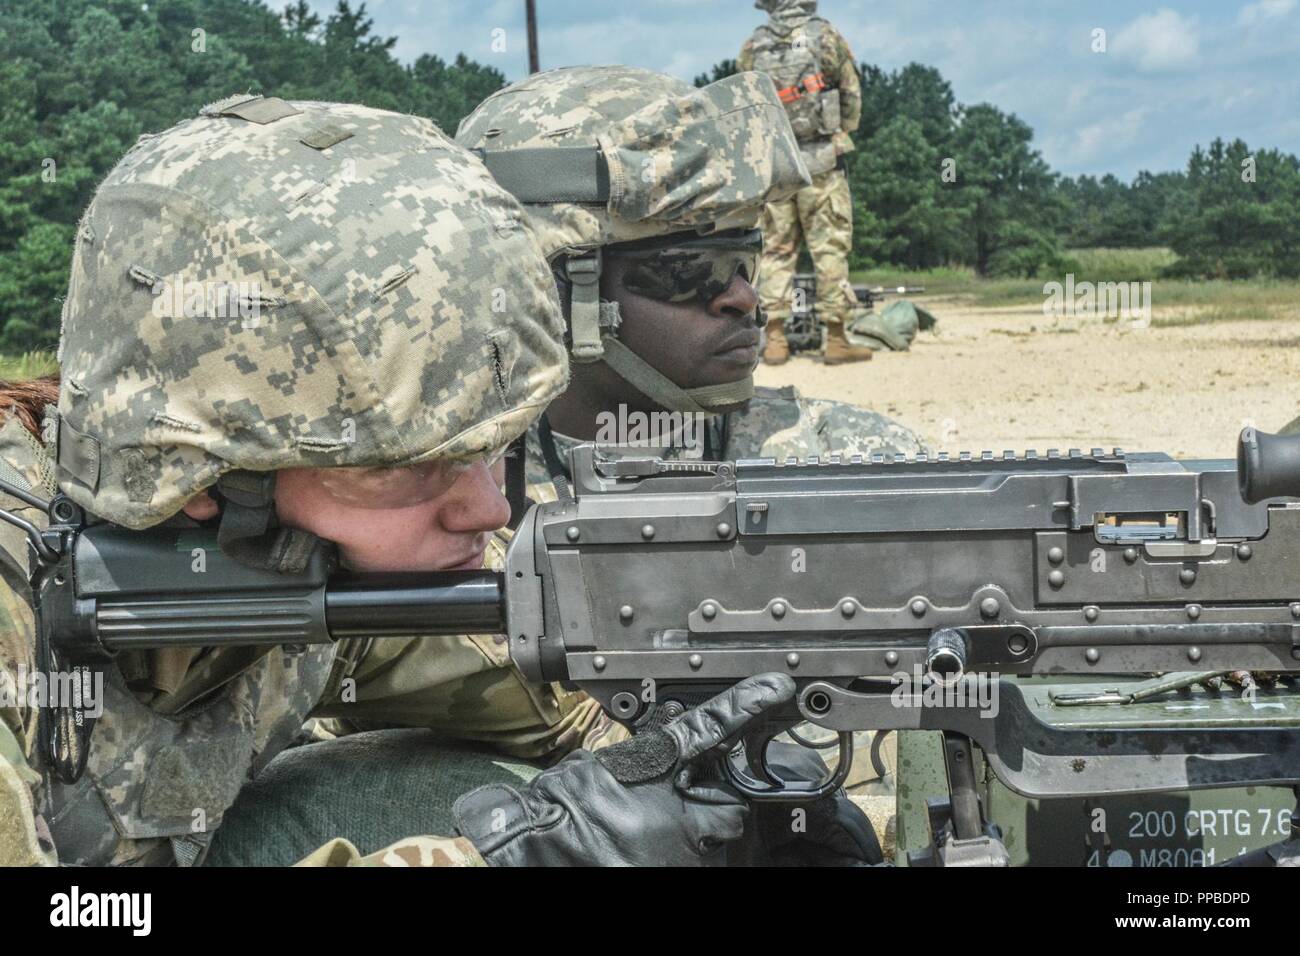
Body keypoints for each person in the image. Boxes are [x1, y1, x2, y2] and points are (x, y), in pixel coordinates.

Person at [0, 95, 804, 867]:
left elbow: (549, 704)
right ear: (199, 478)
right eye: (409, 468)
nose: (487, 508)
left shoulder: (302, 559)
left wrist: (721, 776)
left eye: (492, 446)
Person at [456, 66, 925, 859]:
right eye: (693, 271)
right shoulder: (438, 505)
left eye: (745, 258)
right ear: (551, 292)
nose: (744, 297)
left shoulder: (843, 462)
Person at [739, 0, 874, 366]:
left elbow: (744, 104)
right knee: (829, 247)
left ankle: (777, 340)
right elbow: (851, 91)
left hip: (777, 165)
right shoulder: (825, 36)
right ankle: (835, 339)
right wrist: (842, 133)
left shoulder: (754, 45)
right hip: (822, 162)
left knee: (775, 251)